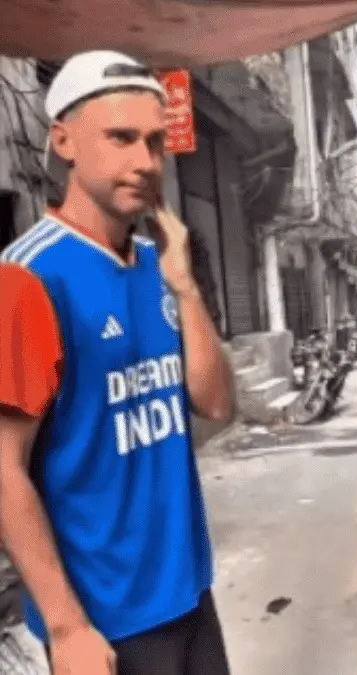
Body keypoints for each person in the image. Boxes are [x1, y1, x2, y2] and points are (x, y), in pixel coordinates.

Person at [0, 51, 235, 675]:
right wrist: (67, 626)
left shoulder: (161, 265)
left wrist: (186, 287)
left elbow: (216, 406)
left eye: (156, 143)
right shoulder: (27, 277)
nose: (144, 161)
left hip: (188, 589)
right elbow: (3, 467)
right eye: (121, 138)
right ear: (63, 141)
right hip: (105, 618)